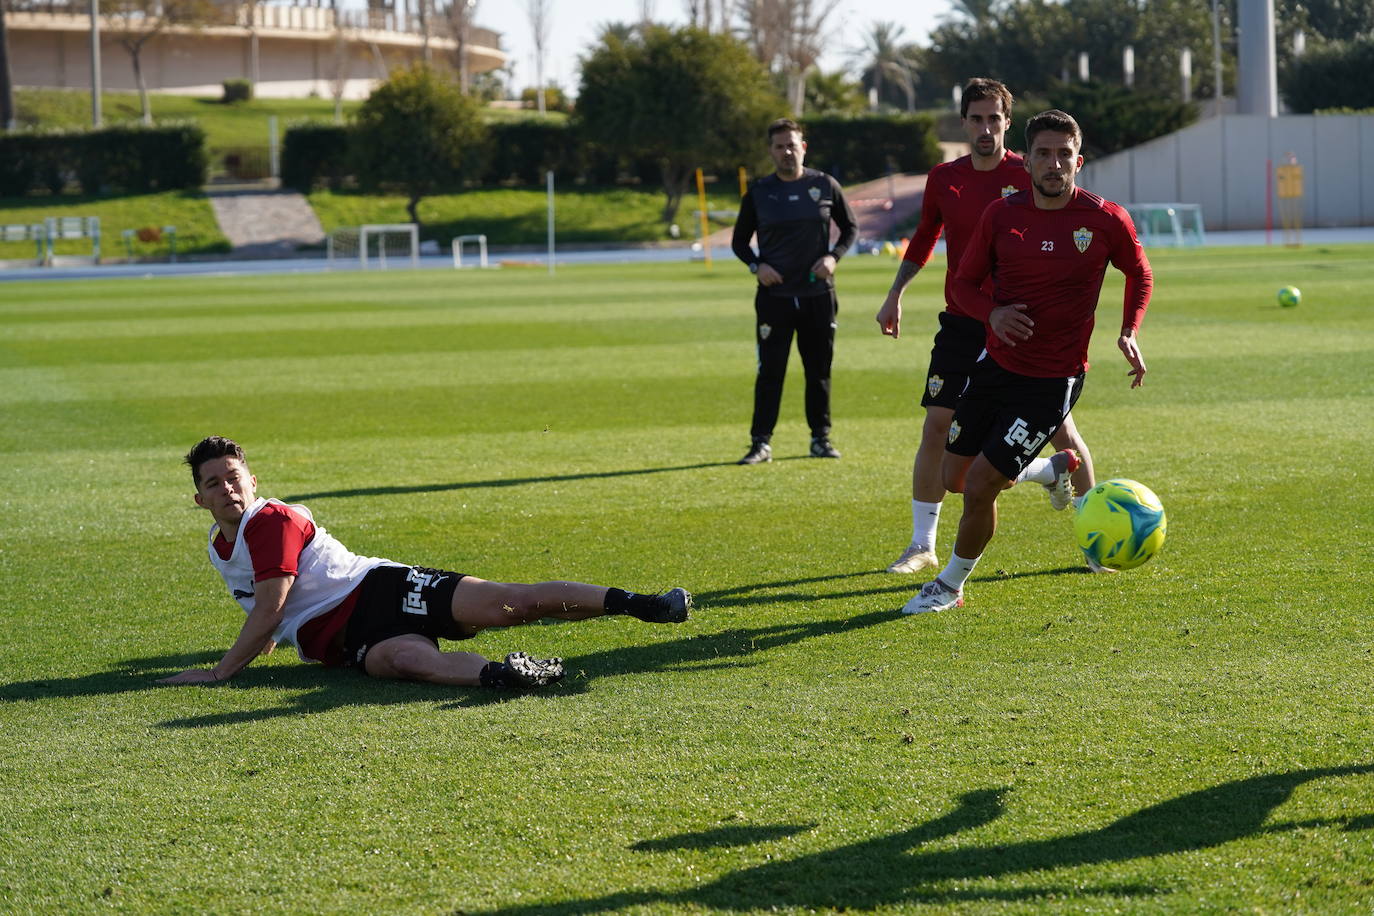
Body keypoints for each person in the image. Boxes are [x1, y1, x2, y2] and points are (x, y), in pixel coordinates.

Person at [159, 437, 694, 688]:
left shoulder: (270, 520)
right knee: (408, 663)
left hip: (378, 590)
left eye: (234, 477)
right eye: (214, 483)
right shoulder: (218, 545)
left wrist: (220, 672)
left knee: (511, 604)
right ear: (201, 500)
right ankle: (510, 674)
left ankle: (642, 605)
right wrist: (271, 638)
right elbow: (266, 604)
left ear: (253, 481)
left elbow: (272, 606)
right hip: (342, 640)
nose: (227, 488)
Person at [901, 109, 1153, 615]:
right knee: (954, 477)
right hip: (994, 367)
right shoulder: (1002, 215)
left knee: (980, 487)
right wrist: (992, 314)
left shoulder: (1105, 218)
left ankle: (949, 586)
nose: (1054, 163)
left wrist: (1129, 330)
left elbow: (1139, 272)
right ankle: (1049, 470)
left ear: (1079, 161)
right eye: (1044, 153)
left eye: (1064, 154)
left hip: (1052, 381)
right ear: (1029, 161)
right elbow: (962, 285)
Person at [875, 78, 1098, 577]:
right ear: (963, 123)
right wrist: (895, 293)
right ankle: (921, 545)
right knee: (937, 426)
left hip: (1020, 324)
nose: (985, 128)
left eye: (994, 119)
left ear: (1007, 123)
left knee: (1061, 429)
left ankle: (1095, 539)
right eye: (976, 118)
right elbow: (925, 237)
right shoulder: (944, 178)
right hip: (963, 320)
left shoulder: (1031, 171)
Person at [732, 117, 858, 464]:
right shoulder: (759, 192)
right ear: (771, 152)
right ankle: (760, 443)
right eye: (779, 146)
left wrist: (833, 257)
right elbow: (739, 242)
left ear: (803, 147)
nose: (787, 152)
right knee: (770, 372)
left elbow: (850, 227)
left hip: (818, 295)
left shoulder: (824, 184)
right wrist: (757, 266)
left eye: (792, 145)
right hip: (775, 299)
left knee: (818, 372)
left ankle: (820, 439)